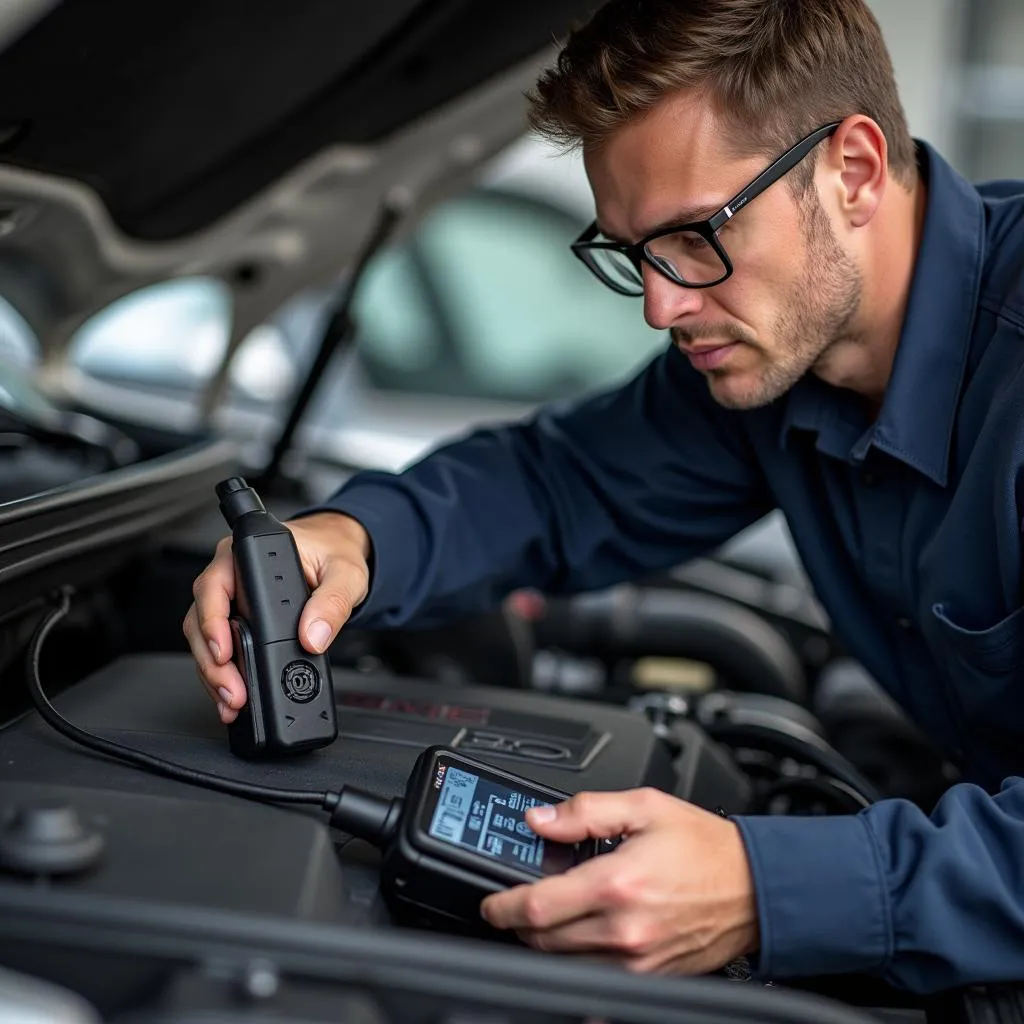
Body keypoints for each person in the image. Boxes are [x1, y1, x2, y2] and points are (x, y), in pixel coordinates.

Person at [183, 0, 1024, 994]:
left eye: (694, 236)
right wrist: (356, 540)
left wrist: (765, 888)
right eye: (633, 254)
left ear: (849, 169)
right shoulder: (770, 363)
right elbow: (559, 483)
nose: (664, 305)